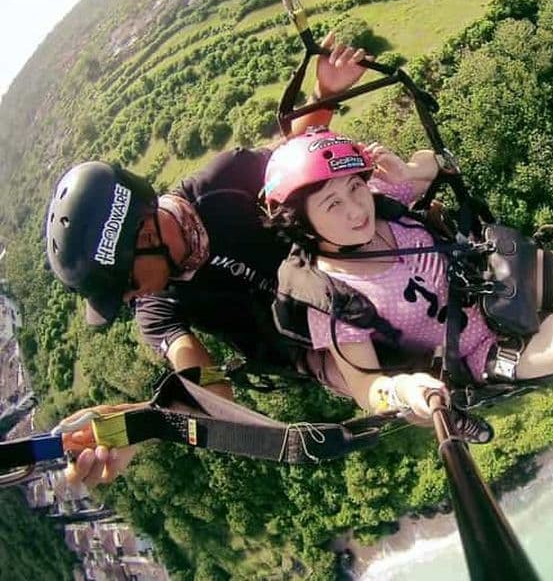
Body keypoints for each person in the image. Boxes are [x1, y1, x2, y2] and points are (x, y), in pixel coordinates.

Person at [46, 34, 372, 487]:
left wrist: (326, 94)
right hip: (320, 352)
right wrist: (139, 425)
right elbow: (209, 388)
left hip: (357, 276)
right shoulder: (158, 312)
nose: (127, 297)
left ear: (144, 233)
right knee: (384, 381)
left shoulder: (223, 184)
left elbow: (296, 168)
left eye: (123, 282)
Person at [262, 128, 553, 417]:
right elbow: (367, 388)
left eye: (354, 187)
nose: (355, 209)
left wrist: (405, 173)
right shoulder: (333, 296)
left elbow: (438, 164)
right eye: (331, 205)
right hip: (474, 349)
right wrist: (404, 390)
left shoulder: (383, 203)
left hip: (491, 284)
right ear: (303, 225)